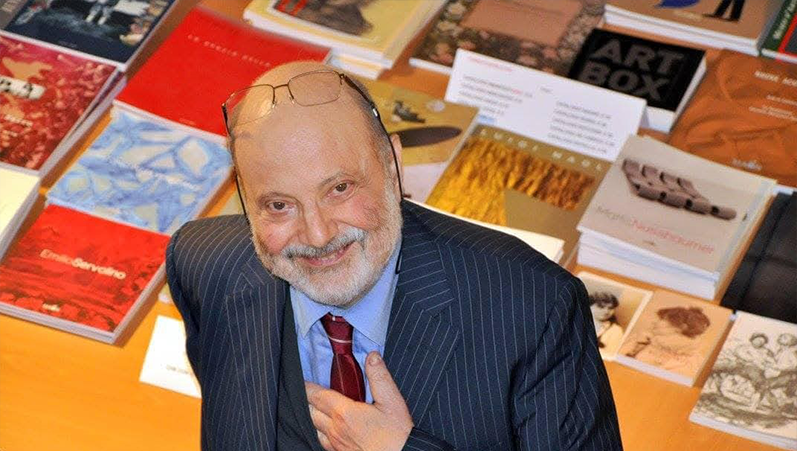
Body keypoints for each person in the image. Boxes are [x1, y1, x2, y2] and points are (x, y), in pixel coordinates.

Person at [166, 61, 621, 451]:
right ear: (245, 199)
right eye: (279, 205)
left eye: (340, 188)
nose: (318, 235)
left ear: (394, 165)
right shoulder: (205, 264)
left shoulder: (534, 308)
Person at [623, 306, 710, 374]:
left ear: (680, 327)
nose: (654, 322)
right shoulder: (641, 339)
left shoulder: (692, 362)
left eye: (663, 319)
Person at [588, 292, 624, 358]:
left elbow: (610, 356)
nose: (606, 311)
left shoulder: (615, 330)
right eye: (601, 307)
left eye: (610, 308)